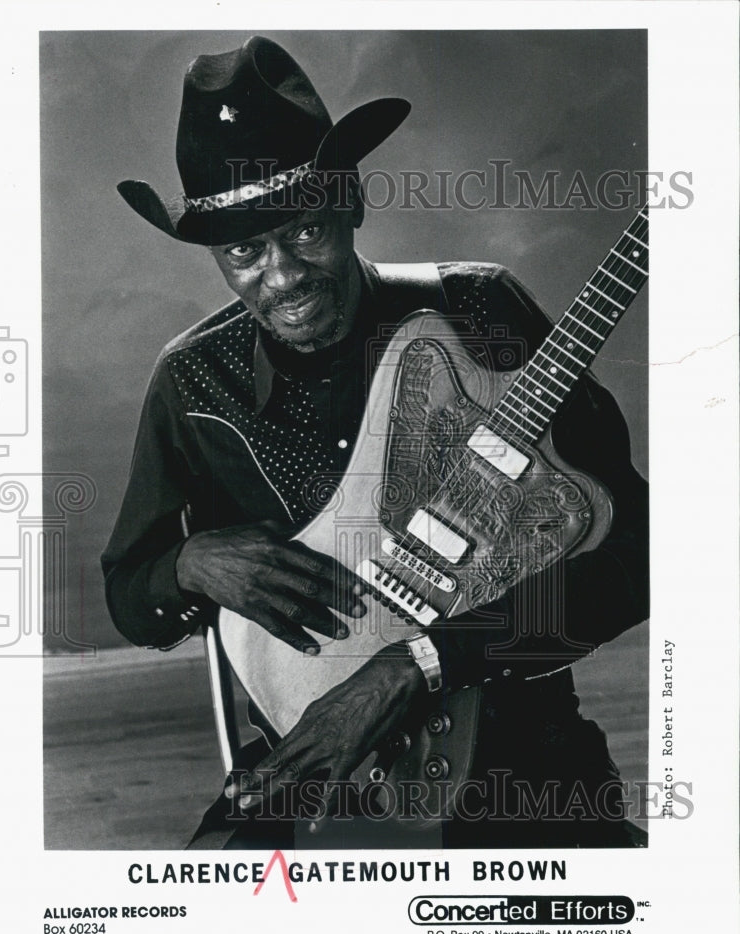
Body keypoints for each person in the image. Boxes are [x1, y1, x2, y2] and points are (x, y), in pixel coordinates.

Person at [102, 35, 649, 849]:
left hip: (522, 759)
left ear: (350, 201)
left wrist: (424, 661)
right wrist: (186, 564)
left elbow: (640, 555)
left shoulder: (480, 313)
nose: (282, 274)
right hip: (318, 764)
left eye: (307, 231)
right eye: (245, 251)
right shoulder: (191, 382)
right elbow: (129, 595)